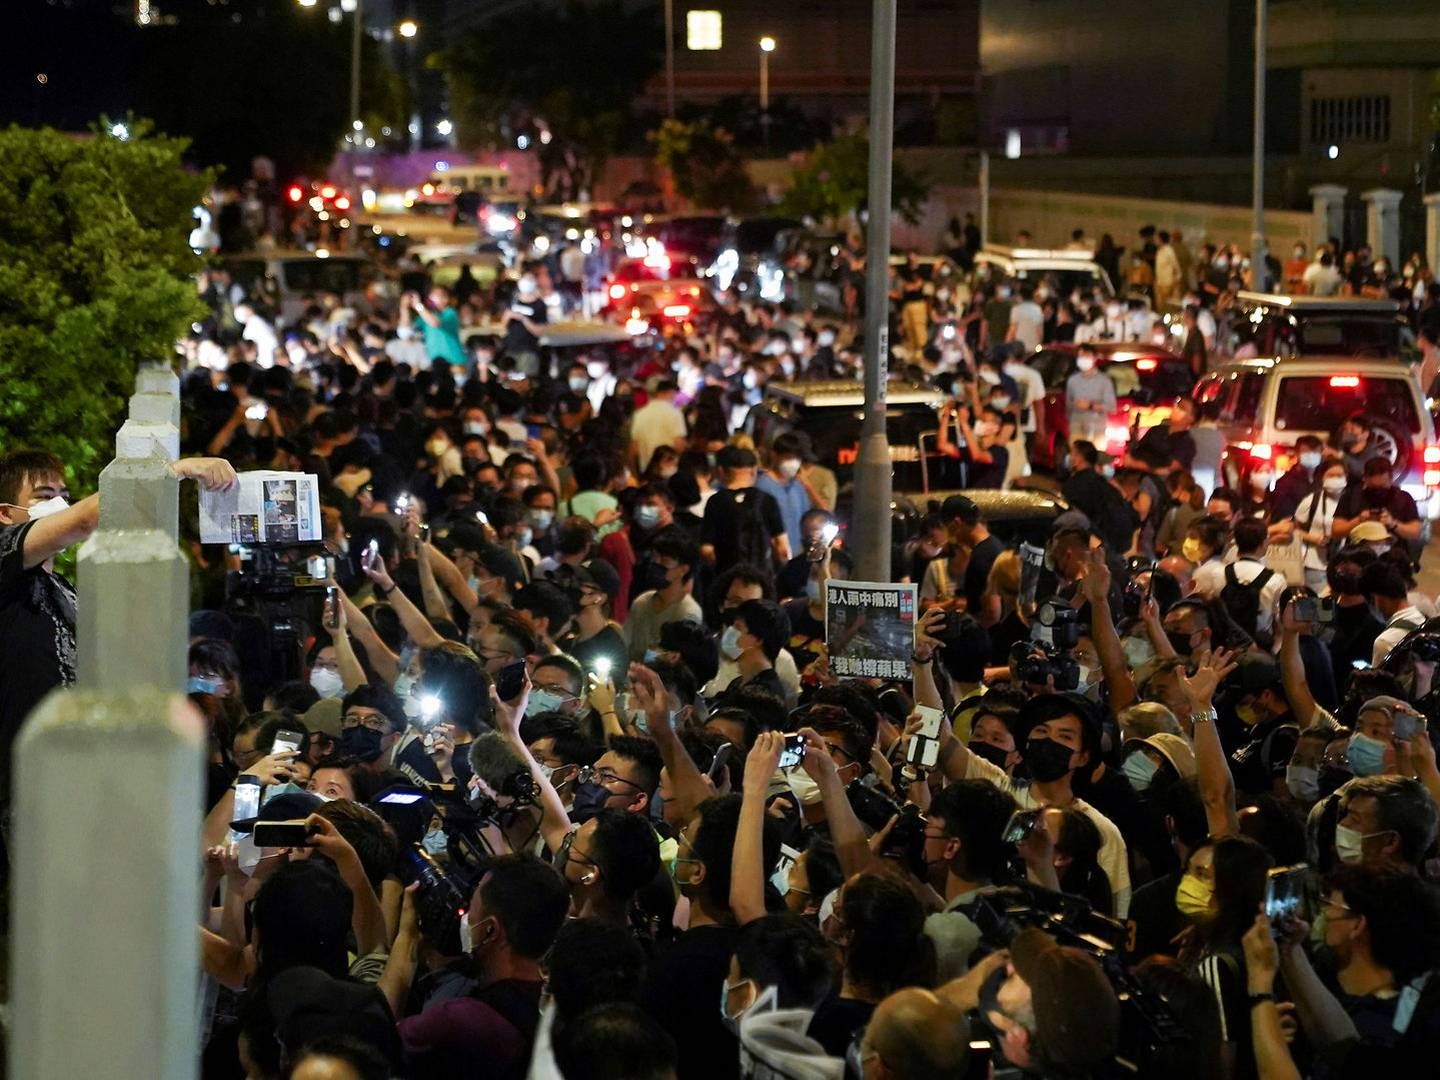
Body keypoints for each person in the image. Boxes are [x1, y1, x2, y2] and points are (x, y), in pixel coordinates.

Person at [0, 448, 235, 805]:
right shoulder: (4, 556)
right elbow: (83, 521)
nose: (60, 506)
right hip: (25, 787)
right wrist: (177, 470)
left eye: (65, 496)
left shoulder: (65, 589)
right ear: (6, 514)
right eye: (45, 497)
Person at [701, 447, 788, 576]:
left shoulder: (716, 501)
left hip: (727, 578)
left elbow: (706, 549)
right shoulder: (767, 500)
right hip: (761, 579)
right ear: (754, 470)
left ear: (720, 471)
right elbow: (782, 548)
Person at [624, 528, 703, 661]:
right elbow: (625, 641)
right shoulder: (642, 601)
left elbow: (676, 660)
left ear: (683, 570)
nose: (656, 564)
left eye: (664, 561)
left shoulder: (689, 612)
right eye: (654, 558)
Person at [629, 378, 687, 479]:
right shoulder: (674, 413)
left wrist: (636, 476)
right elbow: (679, 444)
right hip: (669, 472)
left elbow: (634, 449)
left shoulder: (639, 414)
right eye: (673, 394)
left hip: (647, 472)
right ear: (667, 393)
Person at [1064, 345, 1115, 447]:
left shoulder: (1104, 381)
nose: (1083, 359)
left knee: (1096, 459)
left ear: (1094, 358)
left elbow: (1111, 407)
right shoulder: (1073, 380)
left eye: (1086, 356)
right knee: (1077, 459)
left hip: (1097, 430)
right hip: (1077, 428)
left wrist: (1090, 405)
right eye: (1080, 356)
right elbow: (1068, 407)